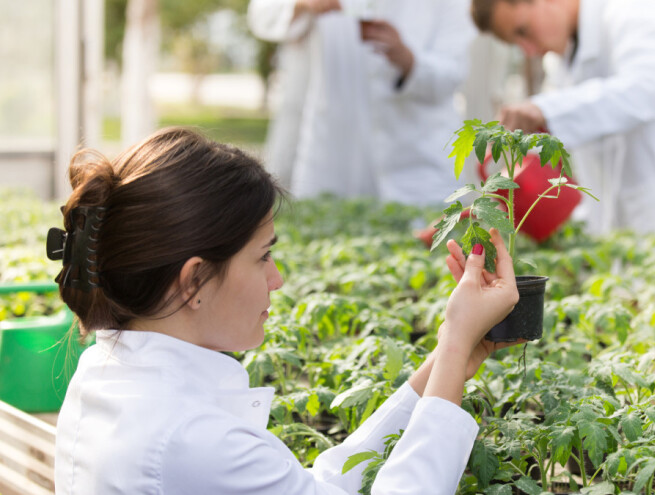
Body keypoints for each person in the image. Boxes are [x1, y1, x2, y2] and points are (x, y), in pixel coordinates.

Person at [51, 128, 521, 494]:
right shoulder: (194, 441)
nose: (277, 280)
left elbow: (314, 486)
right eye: (263, 257)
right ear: (194, 280)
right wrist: (457, 342)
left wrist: (451, 356)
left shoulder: (107, 373)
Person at [471, 0, 655, 254]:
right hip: (637, 236)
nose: (529, 50)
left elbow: (643, 92)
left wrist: (544, 109)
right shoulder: (564, 61)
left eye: (523, 31)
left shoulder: (637, 12)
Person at [248, 0, 477, 206]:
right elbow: (261, 15)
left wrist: (407, 59)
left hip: (419, 169)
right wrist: (300, 5)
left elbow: (453, 75)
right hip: (334, 162)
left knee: (433, 247)